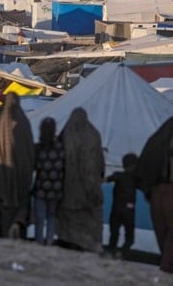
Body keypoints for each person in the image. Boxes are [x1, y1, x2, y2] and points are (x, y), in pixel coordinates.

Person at [136, 116, 173, 274]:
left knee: (162, 231)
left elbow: (143, 168)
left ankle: (167, 264)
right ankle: (170, 267)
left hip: (155, 193)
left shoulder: (155, 142)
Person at [56, 108, 105, 252]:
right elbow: (97, 162)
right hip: (88, 189)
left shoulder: (66, 133)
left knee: (68, 221)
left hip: (68, 189)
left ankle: (69, 243)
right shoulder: (94, 134)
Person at [0, 93, 35, 239]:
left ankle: (2, 231)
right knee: (20, 204)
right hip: (20, 174)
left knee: (1, 208)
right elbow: (29, 150)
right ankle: (17, 225)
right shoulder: (23, 122)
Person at [32, 117, 64, 246]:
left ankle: (39, 241)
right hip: (56, 190)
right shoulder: (60, 148)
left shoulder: (38, 148)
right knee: (51, 216)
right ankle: (49, 240)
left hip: (41, 188)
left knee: (39, 218)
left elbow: (34, 166)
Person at [106, 153, 138, 258]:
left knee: (114, 233)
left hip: (116, 208)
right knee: (130, 237)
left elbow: (107, 179)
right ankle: (122, 252)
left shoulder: (118, 175)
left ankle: (111, 250)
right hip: (129, 209)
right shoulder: (136, 179)